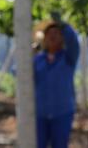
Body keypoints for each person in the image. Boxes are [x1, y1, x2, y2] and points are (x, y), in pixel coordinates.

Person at [33, 13, 80, 148]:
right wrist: (31, 53)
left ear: (62, 38)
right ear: (44, 38)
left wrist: (63, 25)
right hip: (40, 113)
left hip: (62, 112)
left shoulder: (68, 58)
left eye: (57, 33)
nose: (52, 36)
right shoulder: (37, 59)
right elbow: (18, 72)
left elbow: (73, 41)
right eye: (49, 33)